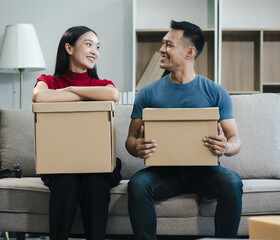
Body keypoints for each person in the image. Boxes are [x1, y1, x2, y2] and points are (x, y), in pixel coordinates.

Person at [125, 20, 243, 239]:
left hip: (204, 172)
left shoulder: (215, 92)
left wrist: (226, 146)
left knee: (232, 181)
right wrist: (137, 146)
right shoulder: (147, 93)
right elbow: (131, 140)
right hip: (164, 173)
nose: (161, 49)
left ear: (190, 52)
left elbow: (235, 139)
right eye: (163, 44)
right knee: (138, 183)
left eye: (169, 45)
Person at [32, 26, 121, 240]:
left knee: (95, 182)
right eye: (88, 44)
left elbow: (114, 95)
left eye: (97, 47)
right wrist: (88, 97)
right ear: (69, 48)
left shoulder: (102, 84)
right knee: (66, 182)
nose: (95, 52)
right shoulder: (49, 81)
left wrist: (70, 90)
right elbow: (40, 97)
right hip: (60, 161)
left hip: (98, 161)